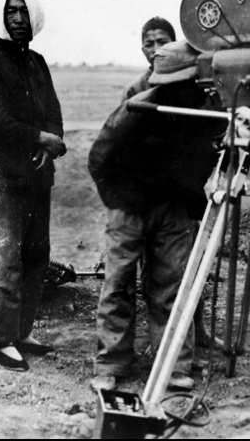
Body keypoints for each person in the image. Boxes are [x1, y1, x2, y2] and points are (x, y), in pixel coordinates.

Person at [88, 31, 223, 392]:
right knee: (118, 284)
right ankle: (112, 362)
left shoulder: (209, 112)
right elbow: (99, 160)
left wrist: (190, 201)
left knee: (171, 286)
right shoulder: (139, 107)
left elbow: (207, 160)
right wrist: (120, 203)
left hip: (173, 207)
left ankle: (175, 364)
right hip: (129, 207)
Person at [0, 0, 66, 371]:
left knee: (35, 257)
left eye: (24, 11)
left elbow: (53, 110)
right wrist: (39, 137)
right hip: (4, 176)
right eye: (11, 12)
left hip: (39, 175)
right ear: (0, 16)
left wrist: (51, 143)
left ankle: (21, 332)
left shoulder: (37, 62)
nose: (18, 18)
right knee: (6, 257)